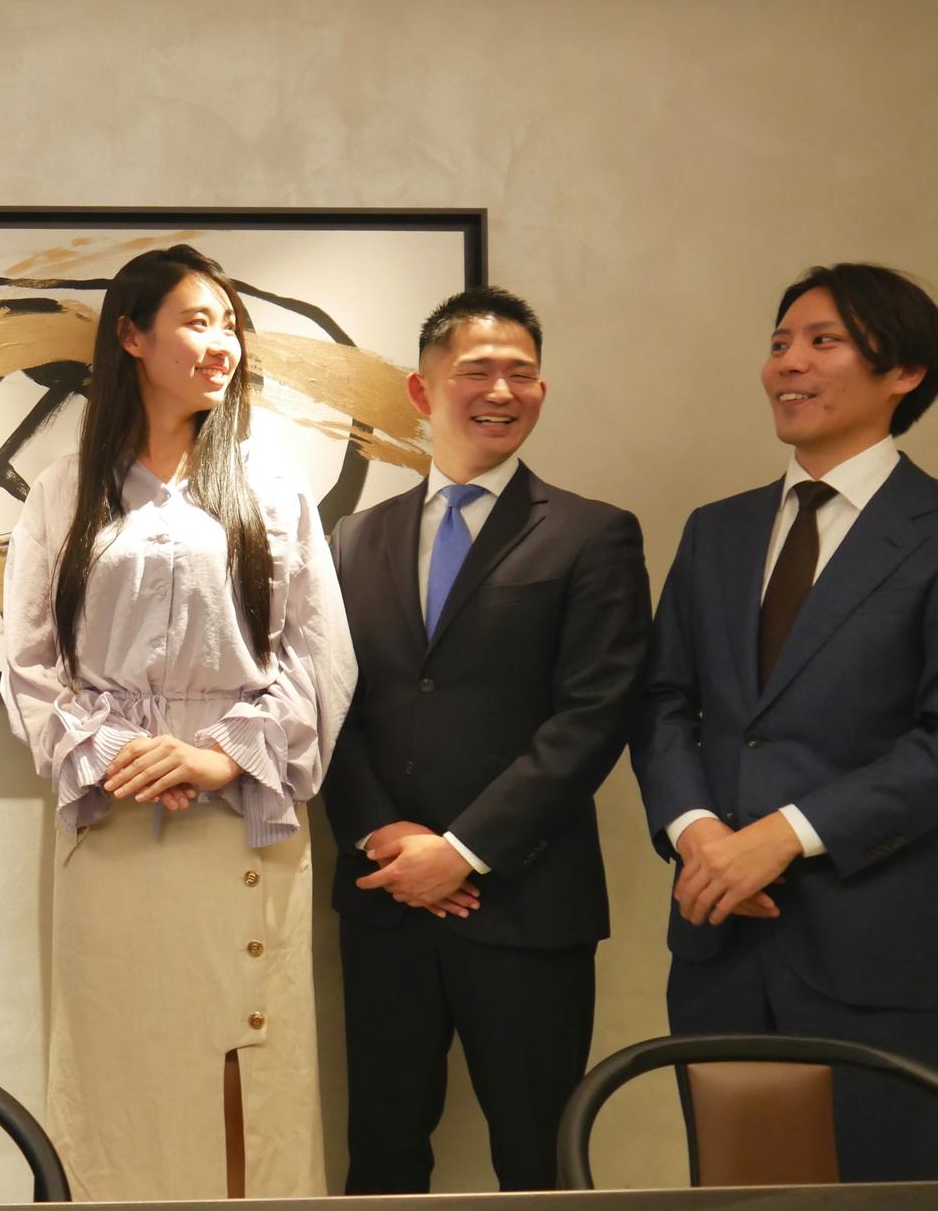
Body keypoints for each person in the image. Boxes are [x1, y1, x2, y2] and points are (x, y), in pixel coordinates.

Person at [0, 244, 355, 1200]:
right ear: (131, 335)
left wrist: (221, 758)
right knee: (115, 1077)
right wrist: (119, 754)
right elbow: (31, 664)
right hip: (112, 818)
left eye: (230, 325)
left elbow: (319, 658)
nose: (221, 344)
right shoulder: (63, 492)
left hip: (238, 815)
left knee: (249, 1079)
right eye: (198, 322)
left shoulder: (271, 487)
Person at [322, 286, 651, 1193]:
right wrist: (381, 835)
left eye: (523, 373)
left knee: (540, 1157)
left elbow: (595, 715)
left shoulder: (592, 533)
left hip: (526, 903)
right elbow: (328, 707)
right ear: (422, 390)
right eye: (477, 370)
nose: (502, 390)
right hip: (386, 899)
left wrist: (463, 851)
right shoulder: (353, 538)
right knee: (382, 1151)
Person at [634, 263, 938, 1181]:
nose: (787, 364)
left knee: (881, 1191)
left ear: (904, 372)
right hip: (718, 938)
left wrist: (782, 836)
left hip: (877, 950)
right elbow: (663, 701)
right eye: (779, 344)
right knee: (733, 1189)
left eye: (822, 341)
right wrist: (697, 833)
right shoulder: (716, 530)